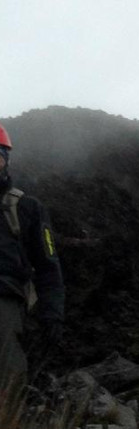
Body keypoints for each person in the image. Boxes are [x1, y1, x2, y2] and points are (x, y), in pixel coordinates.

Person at [0, 122, 65, 392]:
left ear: (6, 161)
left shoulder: (27, 208)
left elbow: (48, 268)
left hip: (6, 299)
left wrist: (52, 314)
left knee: (7, 382)